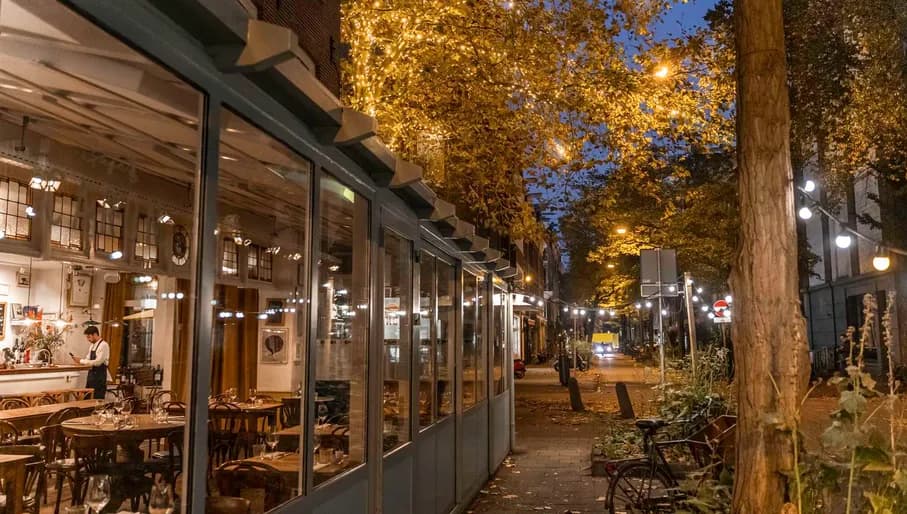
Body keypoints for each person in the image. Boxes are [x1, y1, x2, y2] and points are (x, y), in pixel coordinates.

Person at [71, 326, 109, 399]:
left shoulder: (104, 345)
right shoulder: (92, 345)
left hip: (99, 377)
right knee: (88, 397)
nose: (88, 339)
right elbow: (88, 358)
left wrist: (81, 361)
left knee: (97, 398)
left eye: (89, 337)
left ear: (95, 334)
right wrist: (79, 361)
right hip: (91, 376)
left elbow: (98, 362)